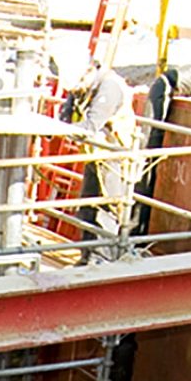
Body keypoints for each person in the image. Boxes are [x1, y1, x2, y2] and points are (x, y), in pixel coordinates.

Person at [71, 62, 140, 247]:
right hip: (97, 155)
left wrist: (58, 129)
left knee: (106, 208)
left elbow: (91, 125)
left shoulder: (109, 87)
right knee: (88, 206)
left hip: (113, 155)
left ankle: (102, 257)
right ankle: (87, 255)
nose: (75, 89)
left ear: (88, 72)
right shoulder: (90, 86)